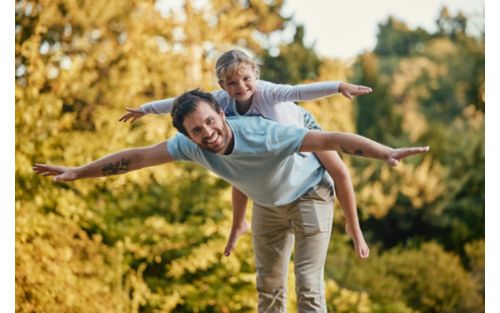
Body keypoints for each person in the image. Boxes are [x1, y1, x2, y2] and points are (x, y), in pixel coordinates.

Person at [34, 89, 429, 312]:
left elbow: (333, 141)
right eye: (196, 130)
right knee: (268, 285)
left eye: (210, 122)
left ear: (222, 114)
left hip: (311, 193)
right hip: (268, 206)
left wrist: (385, 152)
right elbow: (135, 158)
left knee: (308, 285)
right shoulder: (190, 148)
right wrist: (78, 171)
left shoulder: (264, 133)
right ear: (187, 137)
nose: (207, 133)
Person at [119, 48, 373, 259]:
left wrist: (339, 86)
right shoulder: (221, 101)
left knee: (338, 171)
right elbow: (177, 103)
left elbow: (299, 91)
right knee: (240, 169)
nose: (241, 87)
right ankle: (239, 223)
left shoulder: (268, 92)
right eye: (231, 83)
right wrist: (146, 109)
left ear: (256, 75)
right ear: (222, 85)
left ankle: (354, 225)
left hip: (301, 129)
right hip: (263, 146)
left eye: (246, 79)